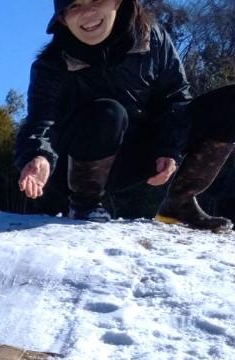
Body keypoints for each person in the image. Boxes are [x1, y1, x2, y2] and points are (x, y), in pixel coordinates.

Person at [16, 0, 235, 231]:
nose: (88, 12)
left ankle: (179, 203)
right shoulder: (51, 64)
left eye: (97, 0)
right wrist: (38, 156)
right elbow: (40, 122)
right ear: (62, 18)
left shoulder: (152, 38)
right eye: (75, 6)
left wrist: (170, 149)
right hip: (76, 166)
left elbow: (175, 98)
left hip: (140, 154)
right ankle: (85, 204)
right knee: (109, 111)